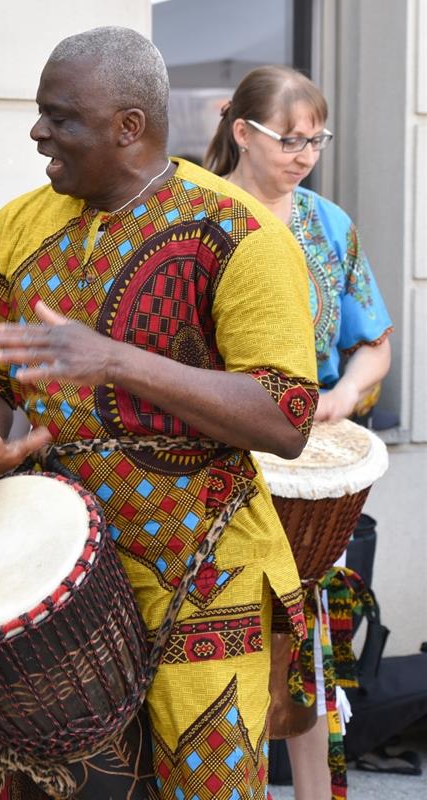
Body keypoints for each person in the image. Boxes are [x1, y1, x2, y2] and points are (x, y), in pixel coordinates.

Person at [0, 27, 317, 799]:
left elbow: (286, 416)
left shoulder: (241, 233)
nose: (38, 131)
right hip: (51, 580)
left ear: (129, 126)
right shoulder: (15, 230)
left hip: (203, 580)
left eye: (60, 116)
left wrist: (113, 358)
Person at [208, 65, 395, 800]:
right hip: (218, 457)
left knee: (313, 658)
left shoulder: (329, 225)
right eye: (291, 139)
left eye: (316, 140)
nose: (305, 154)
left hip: (306, 463)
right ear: (242, 131)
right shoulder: (199, 213)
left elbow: (373, 340)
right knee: (228, 656)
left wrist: (345, 394)